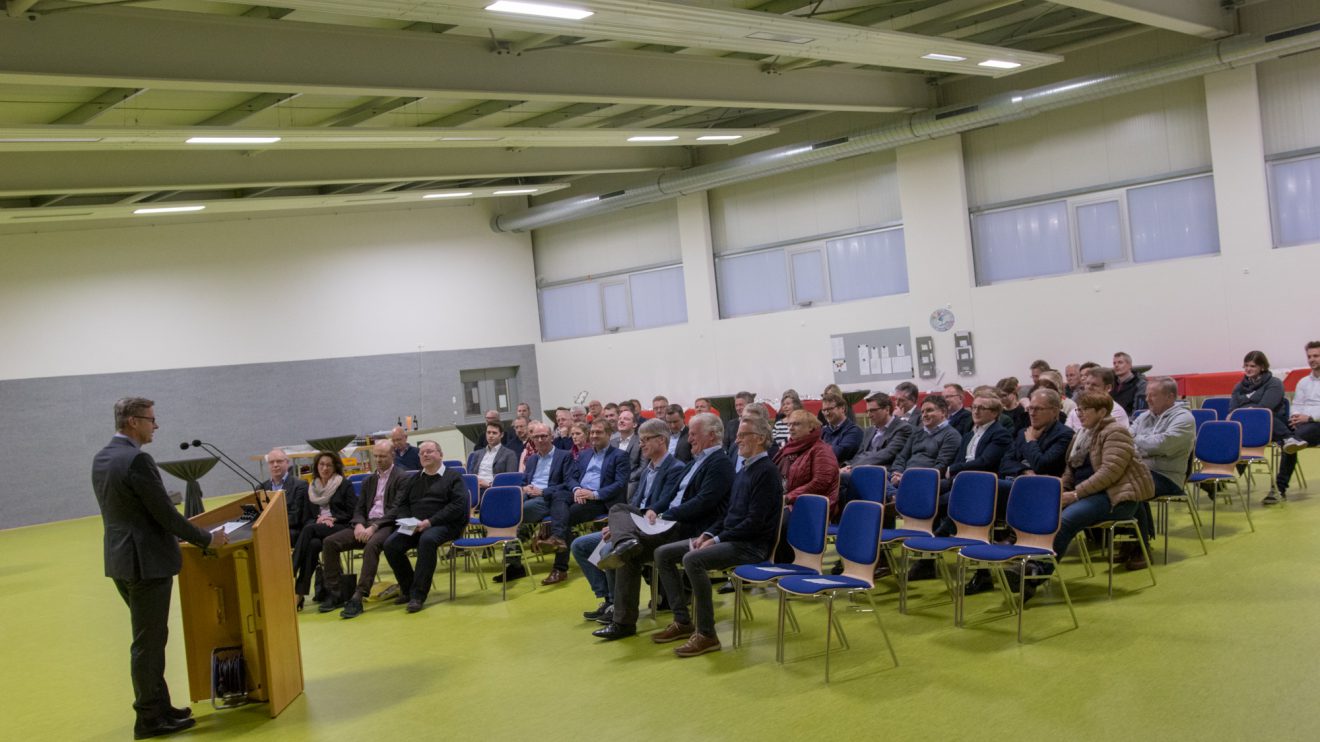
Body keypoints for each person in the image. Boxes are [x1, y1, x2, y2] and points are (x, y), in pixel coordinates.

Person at [93, 397, 224, 739]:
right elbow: (165, 515)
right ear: (133, 422)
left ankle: (161, 706)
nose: (156, 425)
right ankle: (149, 718)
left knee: (151, 638)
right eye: (152, 419)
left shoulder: (103, 457)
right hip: (146, 562)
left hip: (121, 560)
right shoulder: (138, 460)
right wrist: (206, 540)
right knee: (148, 643)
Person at [596, 415, 776, 658]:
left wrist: (715, 537)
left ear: (761, 439)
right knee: (650, 545)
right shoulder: (744, 469)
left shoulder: (762, 471)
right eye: (739, 435)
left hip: (748, 544)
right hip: (720, 534)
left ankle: (707, 634)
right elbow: (730, 515)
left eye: (743, 436)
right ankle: (682, 621)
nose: (737, 440)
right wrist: (711, 533)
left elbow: (752, 522)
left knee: (692, 559)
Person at [592, 413, 733, 641]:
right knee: (620, 510)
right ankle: (625, 543)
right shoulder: (694, 463)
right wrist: (655, 510)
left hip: (686, 527)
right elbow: (669, 497)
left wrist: (664, 514)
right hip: (666, 522)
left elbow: (703, 502)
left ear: (713, 435)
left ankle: (625, 621)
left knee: (629, 552)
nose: (690, 439)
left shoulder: (720, 463)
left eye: (694, 434)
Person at [1020, 392, 1154, 602]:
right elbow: (1070, 471)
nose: (1079, 414)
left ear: (1102, 412)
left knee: (1067, 519)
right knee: (1041, 510)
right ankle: (1027, 562)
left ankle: (1037, 572)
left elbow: (1110, 472)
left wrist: (1075, 495)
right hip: (1089, 494)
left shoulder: (1116, 432)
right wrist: (1058, 490)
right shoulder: (1081, 435)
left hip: (1116, 497)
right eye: (1078, 409)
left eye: (1084, 410)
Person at [571, 418, 683, 625]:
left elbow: (663, 506)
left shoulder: (675, 468)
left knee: (609, 550)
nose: (641, 445)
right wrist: (616, 526)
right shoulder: (648, 469)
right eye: (640, 441)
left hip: (654, 527)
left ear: (661, 440)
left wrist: (621, 528)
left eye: (645, 440)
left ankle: (617, 605)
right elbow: (633, 503)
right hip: (633, 525)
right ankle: (608, 599)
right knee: (579, 545)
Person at [320, 441, 410, 617]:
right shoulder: (369, 480)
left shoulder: (402, 477)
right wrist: (359, 524)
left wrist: (374, 527)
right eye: (376, 456)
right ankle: (335, 592)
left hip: (387, 524)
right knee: (329, 542)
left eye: (382, 456)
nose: (378, 459)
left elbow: (396, 509)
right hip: (366, 523)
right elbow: (359, 508)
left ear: (393, 455)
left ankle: (358, 596)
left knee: (371, 545)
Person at [381, 440, 468, 612]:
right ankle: (407, 588)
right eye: (422, 453)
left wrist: (430, 522)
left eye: (429, 451)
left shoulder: (453, 477)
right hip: (416, 525)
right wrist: (407, 521)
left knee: (427, 540)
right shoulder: (414, 479)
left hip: (445, 524)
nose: (425, 455)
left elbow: (457, 506)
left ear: (440, 454)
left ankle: (418, 595)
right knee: (391, 545)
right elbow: (403, 504)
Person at [539, 419, 629, 580]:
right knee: (558, 495)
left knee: (565, 515)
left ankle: (559, 567)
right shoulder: (584, 454)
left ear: (609, 434)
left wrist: (593, 494)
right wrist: (577, 489)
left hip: (600, 499)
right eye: (592, 432)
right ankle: (558, 538)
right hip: (579, 494)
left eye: (599, 432)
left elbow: (620, 484)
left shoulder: (619, 456)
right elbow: (571, 477)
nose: (594, 435)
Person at [1128, 376, 1195, 569]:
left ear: (1170, 397)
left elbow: (1164, 444)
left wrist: (1139, 442)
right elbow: (1125, 437)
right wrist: (1147, 442)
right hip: (1143, 470)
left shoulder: (1184, 418)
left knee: (1133, 489)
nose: (1148, 399)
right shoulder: (1144, 416)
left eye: (1153, 395)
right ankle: (1132, 540)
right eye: (1147, 394)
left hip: (1168, 477)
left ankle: (1141, 546)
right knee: (1117, 485)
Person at [509, 422, 580, 585]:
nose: (540, 440)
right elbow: (525, 480)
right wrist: (525, 487)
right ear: (532, 439)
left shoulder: (564, 455)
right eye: (536, 437)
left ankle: (516, 562)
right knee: (510, 511)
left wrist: (543, 492)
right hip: (530, 494)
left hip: (549, 497)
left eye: (544, 436)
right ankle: (513, 563)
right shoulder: (532, 459)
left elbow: (567, 483)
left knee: (518, 514)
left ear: (551, 437)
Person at [291, 451, 355, 610]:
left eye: (329, 465)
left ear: (335, 467)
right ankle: (299, 593)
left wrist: (333, 518)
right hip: (318, 528)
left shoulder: (343, 484)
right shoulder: (311, 487)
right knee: (312, 544)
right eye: (321, 464)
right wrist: (318, 519)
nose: (325, 468)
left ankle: (291, 569)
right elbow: (307, 518)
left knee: (308, 530)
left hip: (340, 526)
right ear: (316, 466)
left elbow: (352, 512)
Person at [1229, 350, 1290, 504]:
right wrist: (1247, 410)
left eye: (1253, 366)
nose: (1248, 369)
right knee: (1221, 433)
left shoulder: (1274, 383)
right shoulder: (1239, 386)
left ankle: (1279, 486)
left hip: (1269, 427)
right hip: (1244, 428)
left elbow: (1265, 408)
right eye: (1246, 366)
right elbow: (1232, 411)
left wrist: (1247, 409)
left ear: (1262, 367)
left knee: (1263, 415)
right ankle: (1213, 481)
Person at [837, 392, 912, 507]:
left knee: (847, 477)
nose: (868, 415)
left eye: (872, 410)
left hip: (884, 470)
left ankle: (893, 497)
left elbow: (887, 454)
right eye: (867, 411)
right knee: (838, 477)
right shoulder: (869, 431)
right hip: (862, 469)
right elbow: (859, 454)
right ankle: (847, 518)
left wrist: (854, 468)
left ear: (887, 409)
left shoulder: (902, 428)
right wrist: (845, 467)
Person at [889, 395, 962, 490]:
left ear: (943, 412)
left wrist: (909, 478)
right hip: (904, 477)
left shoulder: (951, 435)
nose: (924, 415)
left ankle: (893, 496)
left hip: (925, 481)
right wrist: (896, 474)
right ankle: (893, 495)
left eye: (929, 410)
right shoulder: (917, 432)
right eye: (922, 411)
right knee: (875, 478)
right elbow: (901, 457)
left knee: (881, 487)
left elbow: (941, 467)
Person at [1278, 341, 1320, 499]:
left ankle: (1279, 488)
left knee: (1291, 441)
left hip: (1317, 424)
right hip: (1303, 425)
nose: (1312, 359)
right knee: (1287, 438)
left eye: (1316, 356)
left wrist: (1309, 417)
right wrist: (1296, 417)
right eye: (1309, 356)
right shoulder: (1303, 382)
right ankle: (1280, 487)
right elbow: (1297, 404)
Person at [775, 409, 840, 509]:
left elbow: (820, 483)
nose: (791, 428)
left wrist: (788, 498)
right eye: (789, 424)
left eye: (796, 424)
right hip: (785, 501)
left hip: (811, 507)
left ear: (810, 427)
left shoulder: (822, 450)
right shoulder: (787, 448)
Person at [261, 447, 310, 546]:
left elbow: (296, 516)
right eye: (271, 462)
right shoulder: (262, 487)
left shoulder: (300, 485)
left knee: (269, 537)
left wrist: (271, 525)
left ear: (287, 463)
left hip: (292, 530)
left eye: (279, 461)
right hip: (269, 529)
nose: (275, 465)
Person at [467, 420, 518, 491]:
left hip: (494, 489)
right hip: (475, 489)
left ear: (501, 435)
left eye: (494, 433)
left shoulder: (509, 454)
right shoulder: (477, 454)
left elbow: (511, 480)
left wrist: (490, 485)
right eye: (488, 432)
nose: (491, 435)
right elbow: (470, 476)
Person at [820, 391, 863, 463]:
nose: (826, 413)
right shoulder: (824, 431)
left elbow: (838, 453)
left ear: (842, 408)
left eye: (830, 409)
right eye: (824, 410)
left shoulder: (854, 431)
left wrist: (817, 451)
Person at [1111, 352, 1147, 416]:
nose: (1116, 365)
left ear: (1129, 365)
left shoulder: (1140, 384)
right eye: (1114, 363)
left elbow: (1139, 413)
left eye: (1120, 362)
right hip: (1110, 421)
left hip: (1129, 423)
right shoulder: (1111, 384)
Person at [609, 408, 642, 474]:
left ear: (634, 424)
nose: (621, 421)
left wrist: (624, 479)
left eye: (626, 419)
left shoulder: (640, 442)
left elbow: (642, 468)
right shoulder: (611, 442)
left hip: (631, 481)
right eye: (619, 419)